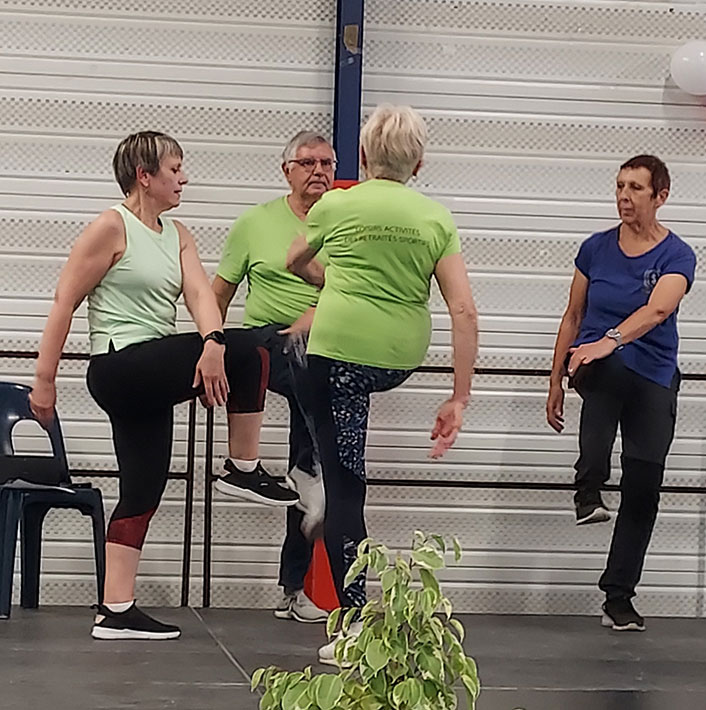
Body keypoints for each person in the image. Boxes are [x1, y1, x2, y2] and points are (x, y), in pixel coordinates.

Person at [29, 131, 295, 641]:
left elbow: (199, 294)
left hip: (150, 373)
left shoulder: (178, 234)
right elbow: (64, 301)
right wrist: (45, 382)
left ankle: (116, 609)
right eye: (175, 169)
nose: (184, 178)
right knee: (253, 350)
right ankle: (243, 468)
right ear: (144, 176)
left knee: (142, 490)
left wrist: (212, 340)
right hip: (119, 365)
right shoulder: (111, 227)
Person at [286, 105, 479, 665]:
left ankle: (349, 624)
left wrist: (332, 279)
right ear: (418, 163)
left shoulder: (336, 204)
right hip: (396, 359)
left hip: (338, 353)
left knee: (292, 348)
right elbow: (463, 310)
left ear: (363, 157)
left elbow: (293, 259)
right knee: (338, 418)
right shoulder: (435, 218)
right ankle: (319, 467)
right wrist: (459, 397)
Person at [546, 155, 696, 632]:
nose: (624, 197)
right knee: (605, 369)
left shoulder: (677, 255)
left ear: (660, 196)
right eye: (619, 186)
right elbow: (573, 316)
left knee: (644, 488)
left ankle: (618, 596)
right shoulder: (595, 249)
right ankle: (588, 486)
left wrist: (609, 339)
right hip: (596, 365)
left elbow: (658, 310)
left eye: (635, 188)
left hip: (652, 373)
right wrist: (554, 379)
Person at [212, 130, 338, 624]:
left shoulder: (346, 224)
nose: (319, 171)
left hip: (323, 345)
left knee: (308, 450)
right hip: (265, 344)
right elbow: (219, 292)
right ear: (286, 170)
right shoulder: (255, 223)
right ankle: (303, 474)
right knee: (305, 380)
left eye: (327, 163)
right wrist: (210, 346)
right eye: (308, 163)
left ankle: (293, 587)